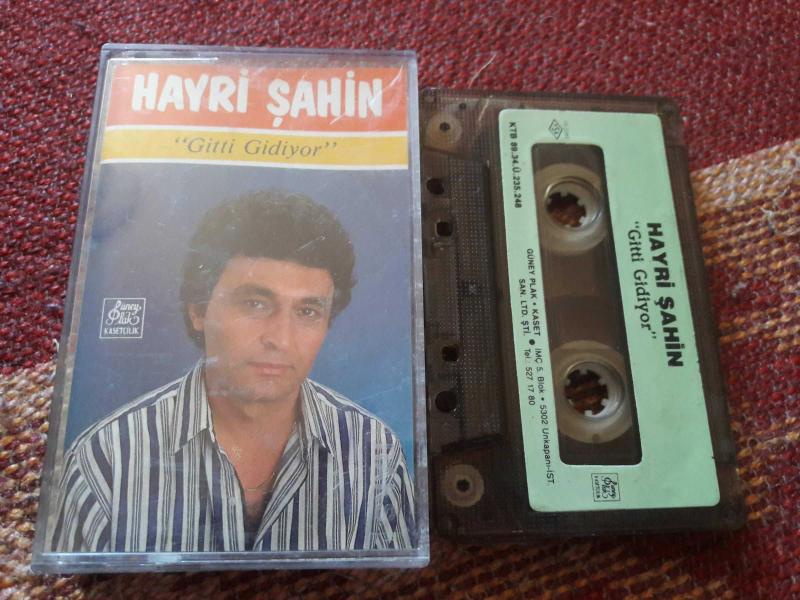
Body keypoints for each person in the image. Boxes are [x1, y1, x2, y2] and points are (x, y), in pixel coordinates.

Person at [48, 191, 416, 552]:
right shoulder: (105, 460)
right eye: (255, 303)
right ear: (198, 310)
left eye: (307, 312)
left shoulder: (375, 452)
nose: (280, 339)